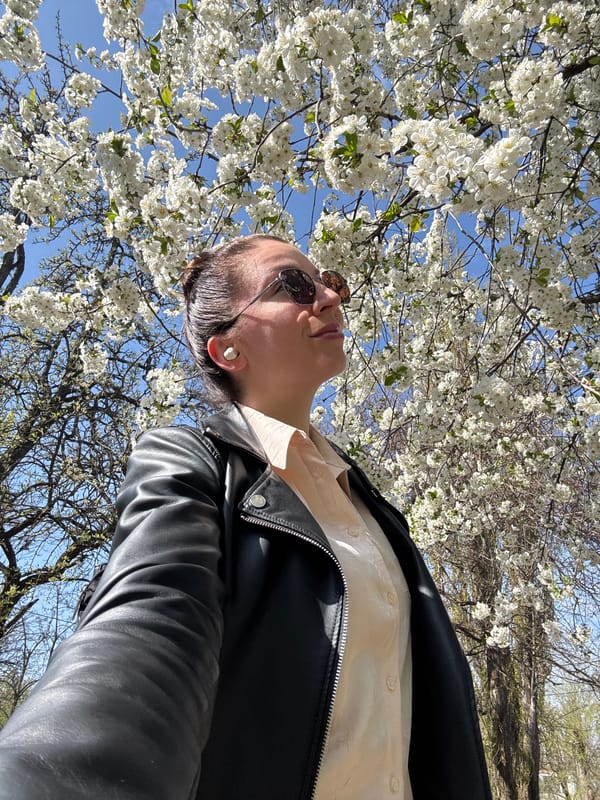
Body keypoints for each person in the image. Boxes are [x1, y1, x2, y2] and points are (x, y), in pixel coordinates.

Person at [0, 234, 492, 799]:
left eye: (330, 281)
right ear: (228, 349)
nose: (330, 298)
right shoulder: (191, 464)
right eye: (294, 286)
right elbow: (148, 621)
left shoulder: (373, 508)